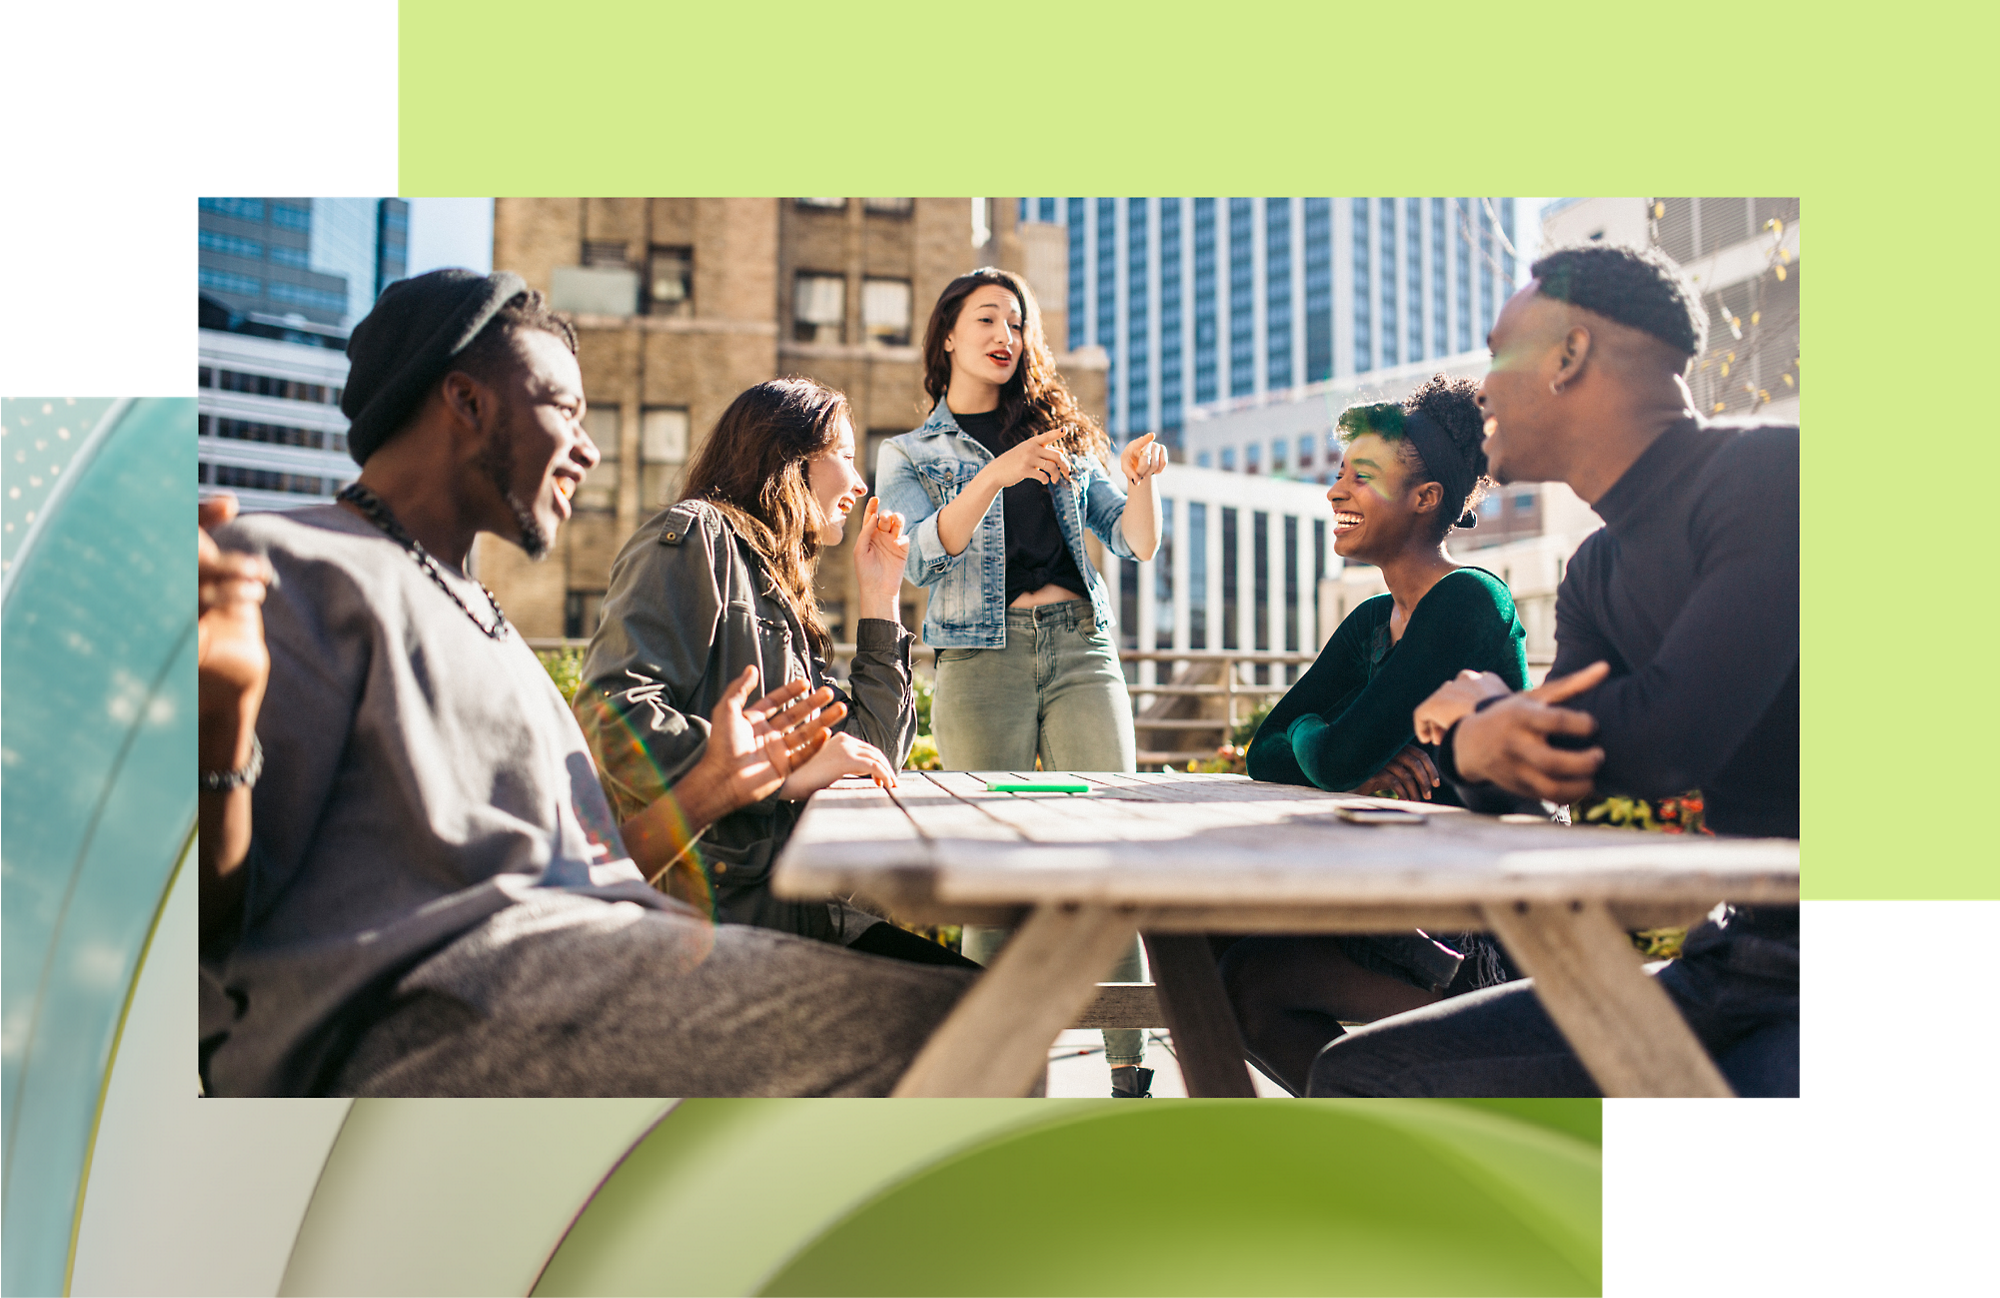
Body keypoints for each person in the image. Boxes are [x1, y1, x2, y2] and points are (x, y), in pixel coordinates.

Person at [199, 269, 973, 1097]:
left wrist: (713, 786)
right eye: (565, 410)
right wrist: (219, 720)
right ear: (467, 403)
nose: (590, 448)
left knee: (979, 1015)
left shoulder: (486, 620)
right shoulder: (279, 568)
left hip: (590, 951)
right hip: (425, 1013)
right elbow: (209, 930)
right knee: (950, 1035)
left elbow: (593, 872)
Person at [1308, 243, 1799, 1099]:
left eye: (1501, 353)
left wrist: (1488, 718)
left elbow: (1666, 739)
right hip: (1735, 960)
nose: (1485, 386)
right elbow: (1544, 779)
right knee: (1362, 1077)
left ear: (1570, 355)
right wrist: (1479, 738)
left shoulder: (1772, 478)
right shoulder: (1596, 572)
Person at [875, 267, 1169, 1096]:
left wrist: (1143, 481)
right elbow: (925, 554)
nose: (1006, 335)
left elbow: (1134, 542)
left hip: (1081, 648)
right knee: (990, 869)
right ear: (948, 337)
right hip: (978, 660)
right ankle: (996, 1078)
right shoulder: (910, 453)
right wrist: (997, 474)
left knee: (1110, 852)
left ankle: (1130, 1072)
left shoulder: (1068, 435)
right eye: (987, 320)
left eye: (1016, 322)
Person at [572, 378, 967, 966]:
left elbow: (873, 753)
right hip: (722, 927)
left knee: (1001, 1018)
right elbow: (611, 719)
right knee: (989, 1022)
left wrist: (880, 596)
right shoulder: (693, 537)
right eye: (847, 456)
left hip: (810, 913)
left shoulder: (780, 591)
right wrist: (777, 771)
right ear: (791, 454)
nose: (861, 486)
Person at [1216, 376, 1534, 1095]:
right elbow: (1265, 752)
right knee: (1209, 938)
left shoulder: (1467, 602)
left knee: (1249, 977)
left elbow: (1331, 757)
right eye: (1338, 473)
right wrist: (1332, 749)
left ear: (1425, 499)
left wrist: (1333, 749)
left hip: (1480, 934)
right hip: (1400, 898)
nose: (1334, 492)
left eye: (1361, 476)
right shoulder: (1372, 620)